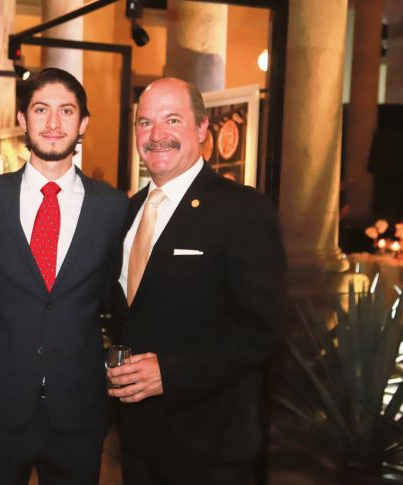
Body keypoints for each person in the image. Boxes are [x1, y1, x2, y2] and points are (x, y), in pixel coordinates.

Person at [106, 78, 286, 484]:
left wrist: (169, 372)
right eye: (145, 123)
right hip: (138, 442)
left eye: (172, 120)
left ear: (203, 129)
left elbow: (262, 329)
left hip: (213, 447)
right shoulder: (129, 211)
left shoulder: (242, 209)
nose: (157, 136)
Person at [0, 67, 129, 484]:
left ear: (83, 124)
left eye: (66, 111)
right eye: (41, 110)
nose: (54, 124)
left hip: (79, 410)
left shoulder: (114, 208)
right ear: (22, 119)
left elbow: (121, 299)